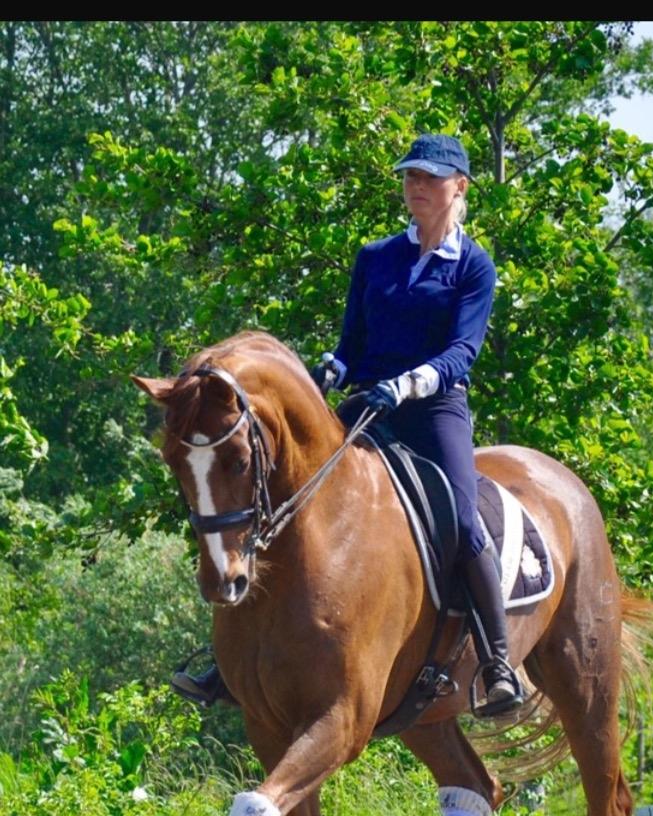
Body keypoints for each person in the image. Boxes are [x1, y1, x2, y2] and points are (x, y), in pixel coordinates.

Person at [173, 134, 522, 715]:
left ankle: (498, 660)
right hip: (368, 404)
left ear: (459, 186)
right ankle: (229, 659)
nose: (416, 187)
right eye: (410, 177)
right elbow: (351, 345)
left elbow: (463, 351)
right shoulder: (375, 258)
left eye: (430, 178)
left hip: (434, 412)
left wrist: (409, 383)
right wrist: (332, 370)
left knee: (461, 521)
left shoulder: (474, 266)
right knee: (289, 495)